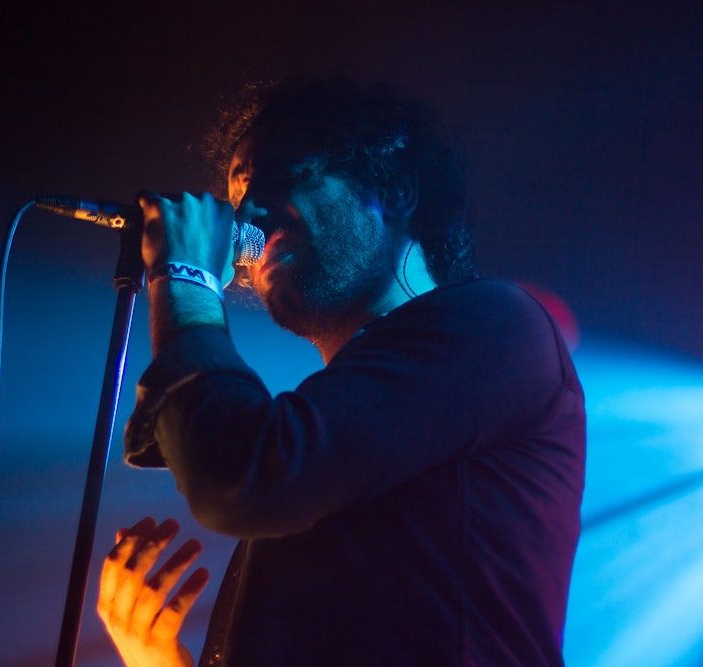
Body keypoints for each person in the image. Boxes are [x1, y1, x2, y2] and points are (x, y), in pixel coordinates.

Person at [95, 77, 586, 666]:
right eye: (238, 192)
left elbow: (244, 476)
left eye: (280, 178)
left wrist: (187, 277)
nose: (246, 211)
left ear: (397, 189)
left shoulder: (497, 325)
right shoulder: (327, 446)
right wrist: (157, 658)